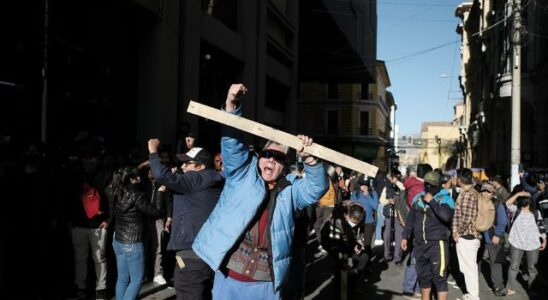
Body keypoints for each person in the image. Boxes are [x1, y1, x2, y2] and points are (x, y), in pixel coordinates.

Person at [192, 83, 328, 300]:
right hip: (229, 277)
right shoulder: (242, 174)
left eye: (279, 158)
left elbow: (317, 187)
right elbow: (232, 145)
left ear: (285, 165)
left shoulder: (290, 190)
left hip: (265, 284)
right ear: (260, 157)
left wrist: (310, 158)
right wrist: (232, 106)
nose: (271, 161)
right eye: (267, 155)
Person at [148, 140, 224, 300]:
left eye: (187, 164)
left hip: (192, 254)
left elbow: (161, 175)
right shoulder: (211, 178)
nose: (183, 167)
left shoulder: (195, 180)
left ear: (200, 166)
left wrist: (153, 152)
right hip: (207, 251)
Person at [111, 166, 163, 300]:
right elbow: (155, 212)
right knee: (137, 279)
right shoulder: (138, 196)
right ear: (132, 179)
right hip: (132, 241)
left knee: (122, 278)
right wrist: (159, 192)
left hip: (118, 240)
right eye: (137, 176)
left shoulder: (116, 192)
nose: (141, 177)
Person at [401, 171, 455, 300]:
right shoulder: (418, 198)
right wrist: (405, 236)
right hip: (419, 244)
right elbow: (411, 220)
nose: (428, 186)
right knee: (423, 278)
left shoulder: (447, 198)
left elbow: (446, 217)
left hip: (437, 244)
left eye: (431, 184)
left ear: (438, 185)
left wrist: (432, 202)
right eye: (426, 183)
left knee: (440, 279)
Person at [321, 202, 369, 294]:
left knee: (364, 256)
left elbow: (355, 235)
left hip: (347, 240)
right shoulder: (336, 222)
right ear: (347, 215)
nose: (355, 225)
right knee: (343, 261)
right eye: (353, 222)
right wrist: (344, 262)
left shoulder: (359, 215)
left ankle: (353, 283)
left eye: (357, 223)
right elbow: (334, 246)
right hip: (333, 242)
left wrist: (357, 245)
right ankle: (340, 292)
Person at [505, 192, 547, 296]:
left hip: (533, 244)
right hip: (517, 243)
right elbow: (507, 203)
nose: (525, 200)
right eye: (523, 199)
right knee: (514, 266)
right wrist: (518, 194)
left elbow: (541, 226)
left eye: (527, 198)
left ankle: (532, 289)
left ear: (530, 200)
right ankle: (510, 287)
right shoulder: (516, 210)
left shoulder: (536, 212)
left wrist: (544, 239)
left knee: (532, 268)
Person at [452, 168, 481, 300]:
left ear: (460, 179)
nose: (455, 179)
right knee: (469, 268)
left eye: (456, 177)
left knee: (469, 269)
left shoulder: (468, 194)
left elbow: (466, 217)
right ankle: (471, 295)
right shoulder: (471, 192)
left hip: (467, 236)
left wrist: (458, 232)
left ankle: (473, 297)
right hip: (469, 236)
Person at [478, 183, 508, 297]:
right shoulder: (477, 202)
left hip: (492, 237)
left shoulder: (497, 204)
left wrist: (498, 234)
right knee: (475, 261)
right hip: (478, 236)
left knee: (495, 263)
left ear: (493, 193)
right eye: (484, 191)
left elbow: (503, 221)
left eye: (488, 191)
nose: (486, 193)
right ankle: (473, 285)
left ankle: (498, 287)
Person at [350, 177, 378, 254]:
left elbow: (375, 206)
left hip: (369, 221)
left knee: (367, 244)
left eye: (366, 185)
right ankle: (357, 259)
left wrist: (368, 196)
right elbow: (351, 204)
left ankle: (367, 260)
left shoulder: (373, 193)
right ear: (359, 185)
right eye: (362, 185)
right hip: (357, 220)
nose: (364, 186)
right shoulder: (356, 193)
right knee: (356, 242)